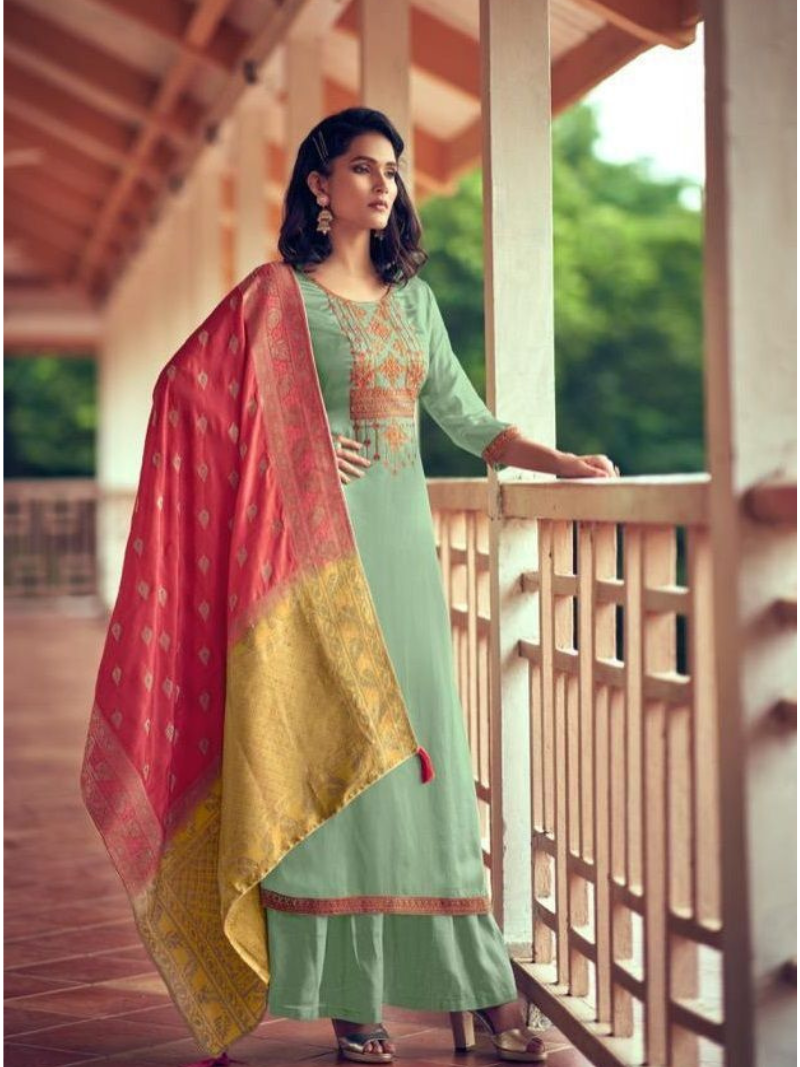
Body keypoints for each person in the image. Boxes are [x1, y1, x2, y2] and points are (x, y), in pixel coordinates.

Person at [81, 106, 618, 1067]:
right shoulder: (274, 297)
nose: (384, 185)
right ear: (319, 184)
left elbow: (467, 417)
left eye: (393, 170)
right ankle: (352, 1004)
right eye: (363, 167)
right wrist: (283, 443)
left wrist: (558, 462)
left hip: (404, 562)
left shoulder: (414, 301)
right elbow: (183, 395)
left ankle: (481, 982)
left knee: (421, 758)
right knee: (330, 754)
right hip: (307, 565)